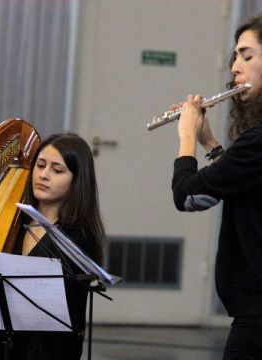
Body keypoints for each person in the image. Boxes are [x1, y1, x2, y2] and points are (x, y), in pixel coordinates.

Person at [0, 132, 105, 360]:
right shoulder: (16, 222)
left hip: (46, 351)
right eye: (40, 165)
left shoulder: (80, 237)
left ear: (77, 181)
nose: (43, 175)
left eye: (57, 170)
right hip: (1, 347)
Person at [171, 15, 262, 360]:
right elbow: (244, 186)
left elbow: (189, 196)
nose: (235, 67)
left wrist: (186, 138)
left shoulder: (257, 140)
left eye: (247, 55)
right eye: (234, 57)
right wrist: (209, 141)